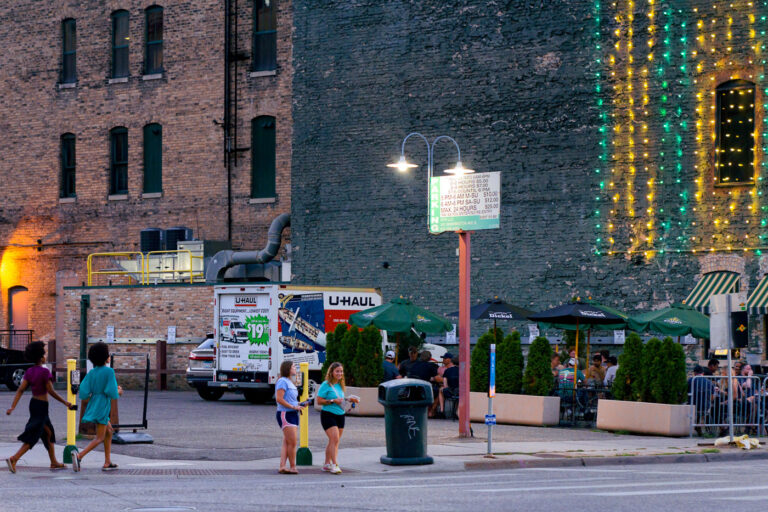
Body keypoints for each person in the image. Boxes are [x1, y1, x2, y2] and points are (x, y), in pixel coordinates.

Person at [5, 342, 75, 473]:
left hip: (34, 405)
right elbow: (51, 391)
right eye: (44, 354)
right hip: (42, 407)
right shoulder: (44, 372)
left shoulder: (30, 371)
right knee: (33, 436)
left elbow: (20, 389)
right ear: (41, 357)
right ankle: (14, 458)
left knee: (48, 433)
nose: (45, 356)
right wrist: (65, 402)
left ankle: (53, 462)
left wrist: (12, 407)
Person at [72, 342, 122, 472]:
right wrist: (119, 392)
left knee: (109, 431)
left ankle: (107, 461)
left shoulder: (92, 372)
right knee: (99, 437)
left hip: (95, 402)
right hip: (103, 405)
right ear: (107, 358)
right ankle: (79, 456)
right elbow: (111, 391)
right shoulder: (109, 371)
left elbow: (83, 391)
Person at [316, 362, 358, 475]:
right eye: (337, 371)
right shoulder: (326, 385)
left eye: (341, 371)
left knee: (334, 441)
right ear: (332, 372)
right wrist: (332, 401)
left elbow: (340, 400)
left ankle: (326, 464)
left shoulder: (340, 385)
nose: (340, 373)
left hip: (340, 415)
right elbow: (319, 401)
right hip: (328, 414)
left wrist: (349, 399)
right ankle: (334, 464)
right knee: (334, 439)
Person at [275, 361, 307, 474]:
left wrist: (299, 404)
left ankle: (282, 466)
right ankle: (293, 466)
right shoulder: (282, 381)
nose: (295, 368)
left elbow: (290, 399)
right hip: (285, 414)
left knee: (287, 441)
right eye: (293, 366)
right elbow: (279, 399)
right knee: (292, 442)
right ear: (288, 368)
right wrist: (293, 407)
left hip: (293, 413)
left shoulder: (290, 382)